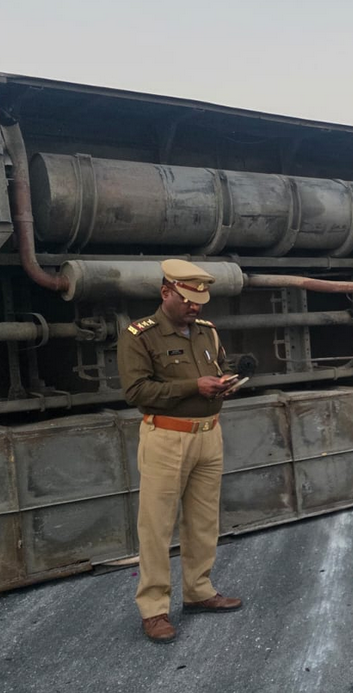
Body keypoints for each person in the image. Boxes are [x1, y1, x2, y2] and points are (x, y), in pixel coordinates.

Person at [119, 259, 244, 643]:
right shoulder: (140, 335)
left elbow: (217, 367)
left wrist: (224, 384)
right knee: (156, 527)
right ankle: (154, 609)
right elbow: (136, 392)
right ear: (166, 292)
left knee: (204, 521)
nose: (195, 307)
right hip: (166, 438)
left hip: (209, 436)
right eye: (187, 299)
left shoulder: (207, 332)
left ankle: (199, 591)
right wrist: (195, 387)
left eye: (199, 300)